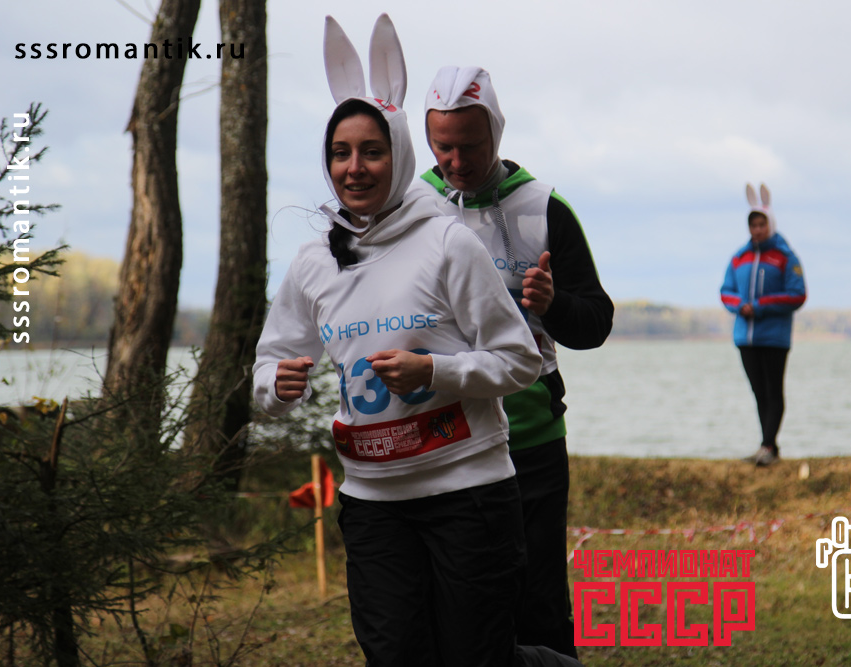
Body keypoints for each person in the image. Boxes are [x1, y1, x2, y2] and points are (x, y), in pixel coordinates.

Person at [253, 16, 581, 667]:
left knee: (476, 658)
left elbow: (520, 359)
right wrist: (276, 385)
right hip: (373, 501)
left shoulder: (446, 242)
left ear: (400, 154)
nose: (354, 168)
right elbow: (269, 364)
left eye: (371, 151)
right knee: (397, 655)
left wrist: (435, 371)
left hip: (468, 492)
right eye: (340, 153)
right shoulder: (315, 261)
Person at [412, 66, 614, 659]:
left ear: (496, 133)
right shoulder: (411, 206)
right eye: (442, 146)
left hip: (530, 437)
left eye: (470, 146)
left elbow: (596, 323)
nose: (456, 161)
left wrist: (553, 306)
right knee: (452, 602)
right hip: (440, 437)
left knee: (539, 601)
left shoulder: (544, 207)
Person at [720, 183, 807, 467]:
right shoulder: (739, 257)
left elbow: (797, 294)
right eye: (753, 225)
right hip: (746, 338)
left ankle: (768, 445)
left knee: (773, 391)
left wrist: (759, 306)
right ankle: (767, 446)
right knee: (759, 392)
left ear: (770, 224)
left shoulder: (786, 257)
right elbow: (726, 291)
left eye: (761, 224)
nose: (757, 230)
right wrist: (740, 305)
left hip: (774, 337)